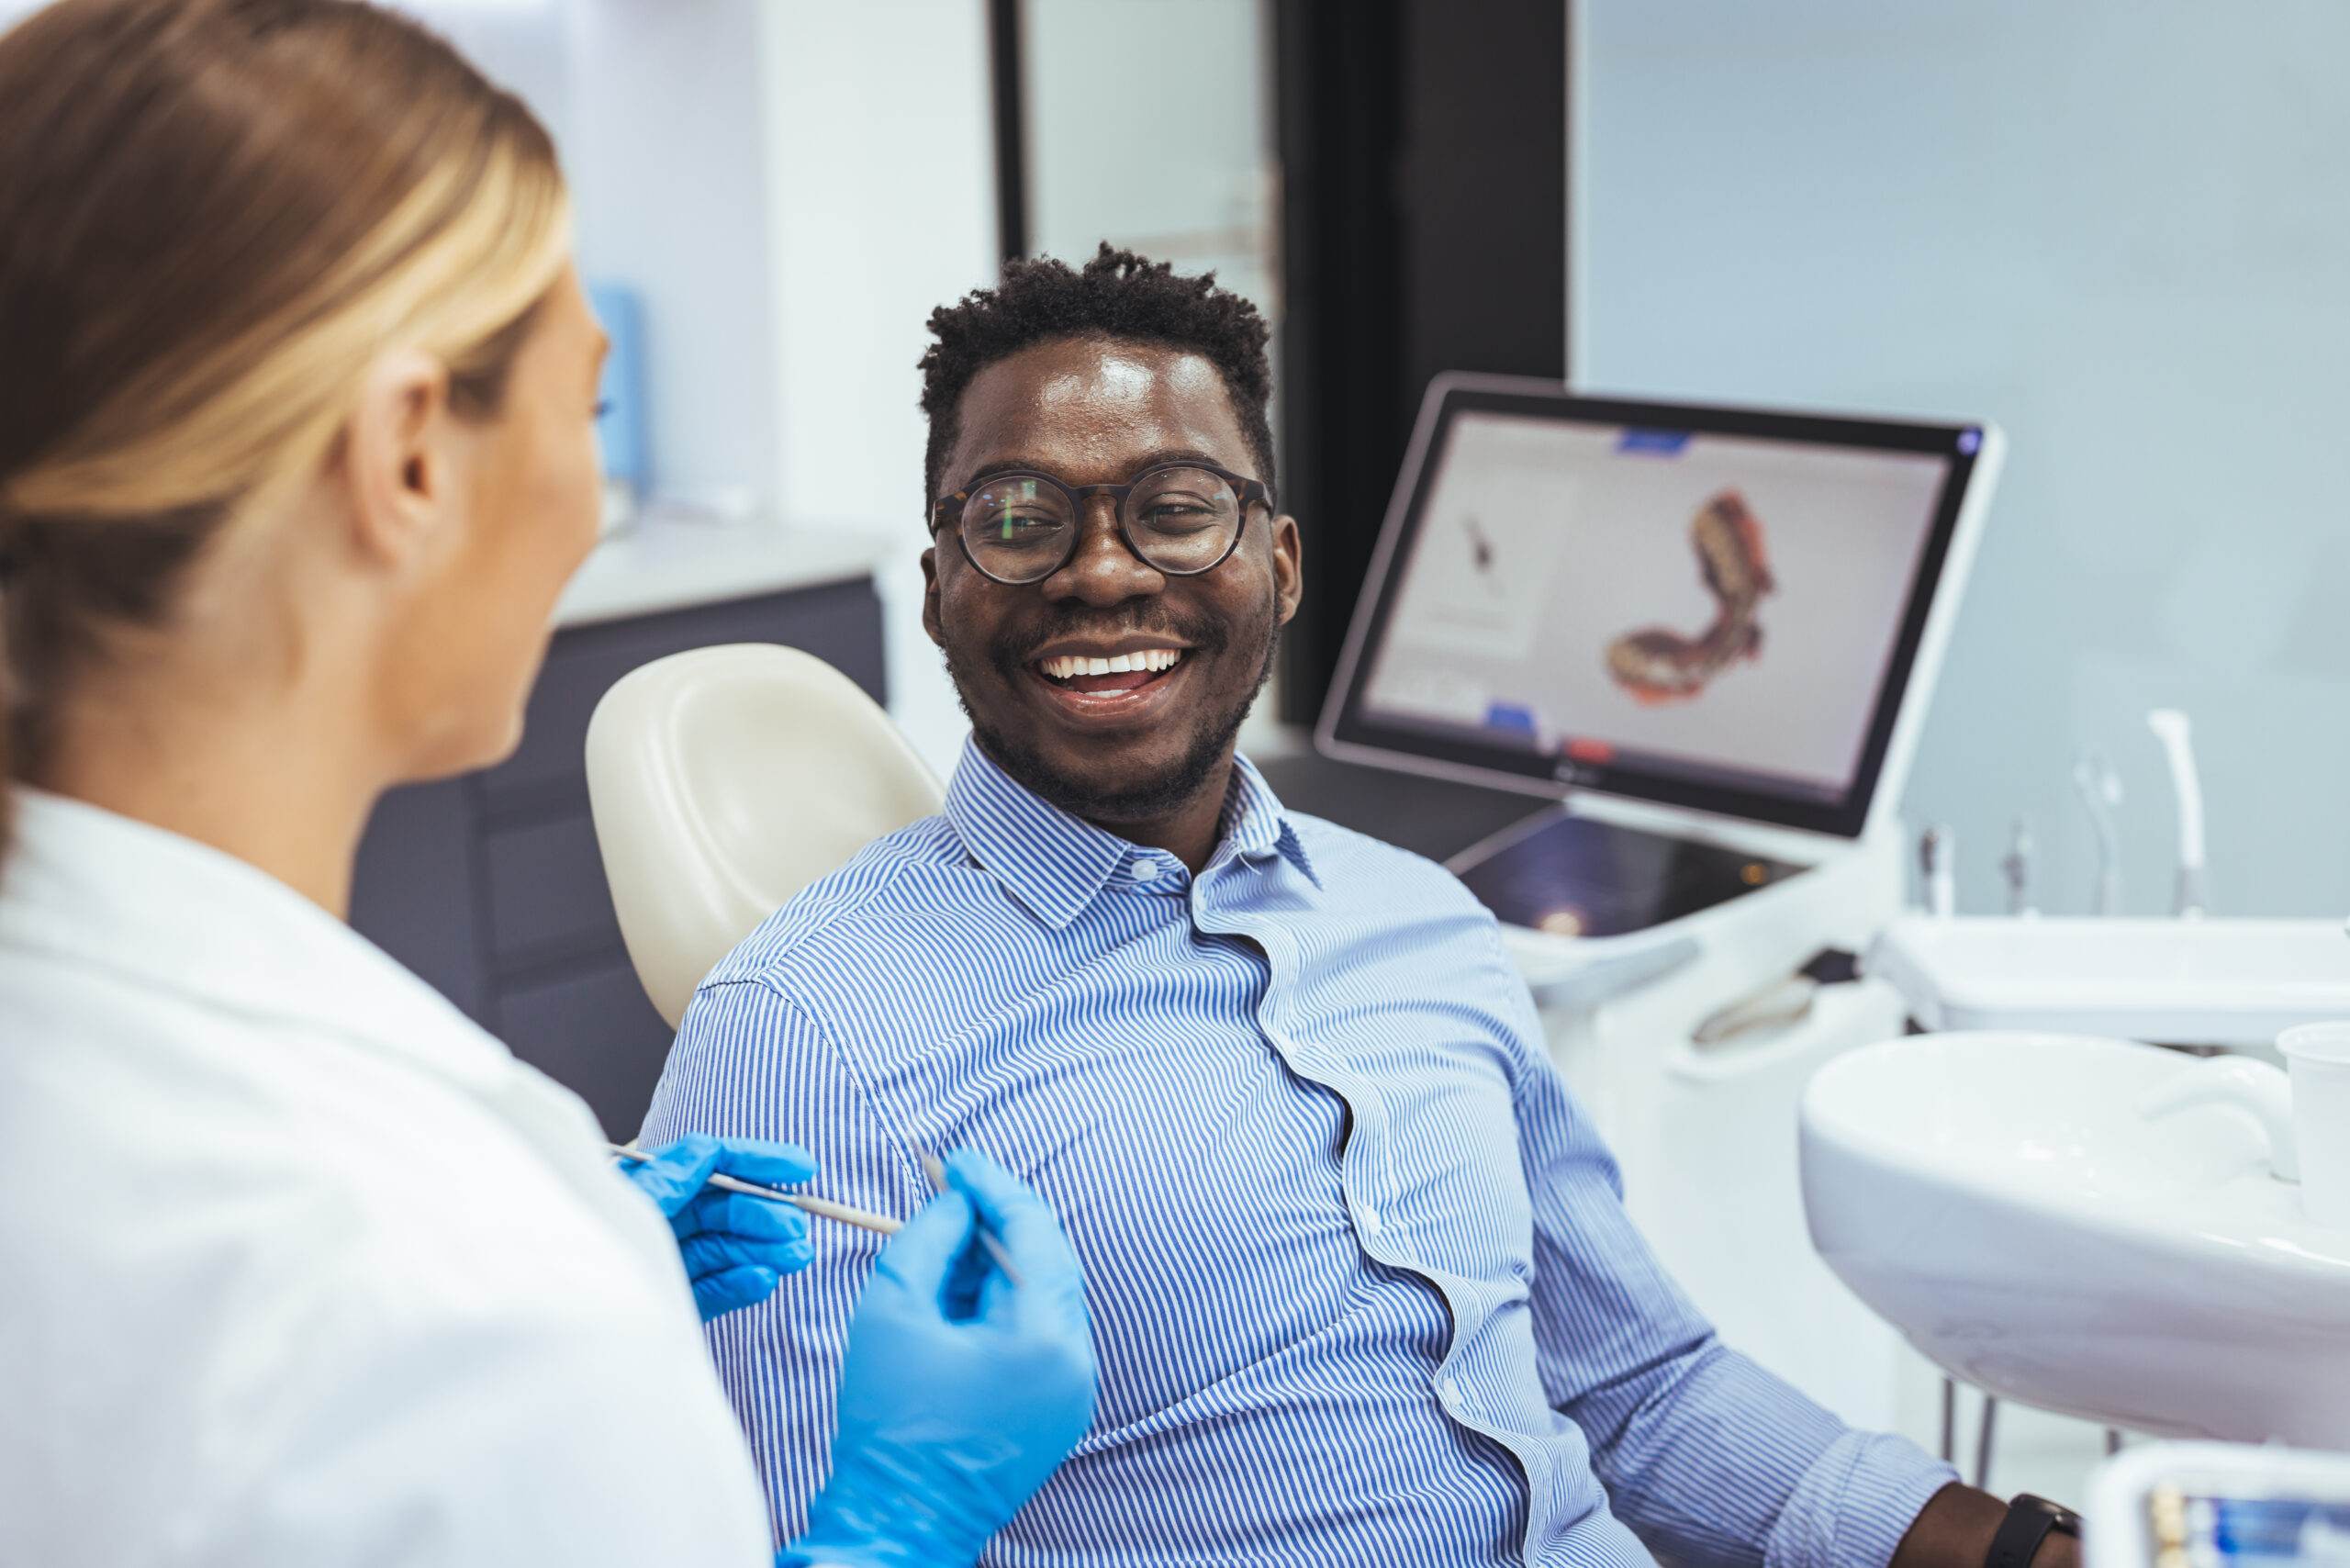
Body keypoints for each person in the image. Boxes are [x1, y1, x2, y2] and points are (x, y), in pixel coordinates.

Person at [643, 246, 2087, 1568]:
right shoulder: (807, 1034)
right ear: (943, 586)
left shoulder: (1423, 924)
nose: (1098, 571)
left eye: (1176, 511)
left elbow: (1637, 1391)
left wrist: (2020, 1549)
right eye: (1019, 521)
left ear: (1277, 565)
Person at [0, 3, 1094, 1564]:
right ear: (412, 465)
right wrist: (889, 1530)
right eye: (584, 409)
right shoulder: (467, 1280)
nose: (591, 499)